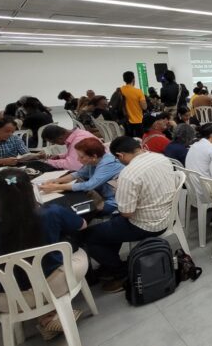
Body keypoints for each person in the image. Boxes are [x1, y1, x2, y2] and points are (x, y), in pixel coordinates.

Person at [0, 168, 88, 339]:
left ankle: (46, 317)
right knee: (73, 248)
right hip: (56, 284)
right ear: (31, 191)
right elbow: (82, 225)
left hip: (9, 300)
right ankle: (52, 314)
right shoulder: (51, 212)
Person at [83, 136, 176, 292]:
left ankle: (122, 273)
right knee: (110, 227)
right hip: (167, 214)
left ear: (120, 155)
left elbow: (126, 213)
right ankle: (111, 264)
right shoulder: (161, 158)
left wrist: (119, 194)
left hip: (146, 224)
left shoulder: (129, 173)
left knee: (89, 236)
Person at [39, 138, 124, 215]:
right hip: (101, 193)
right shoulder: (95, 160)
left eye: (81, 157)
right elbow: (79, 173)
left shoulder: (108, 164)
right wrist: (56, 180)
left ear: (93, 156)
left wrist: (56, 187)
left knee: (82, 212)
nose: (78, 160)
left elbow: (89, 185)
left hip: (115, 200)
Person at [120, 71, 148, 137]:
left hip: (125, 121)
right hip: (138, 120)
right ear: (133, 79)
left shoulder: (120, 90)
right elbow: (144, 107)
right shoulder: (138, 91)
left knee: (129, 140)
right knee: (140, 140)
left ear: (124, 80)